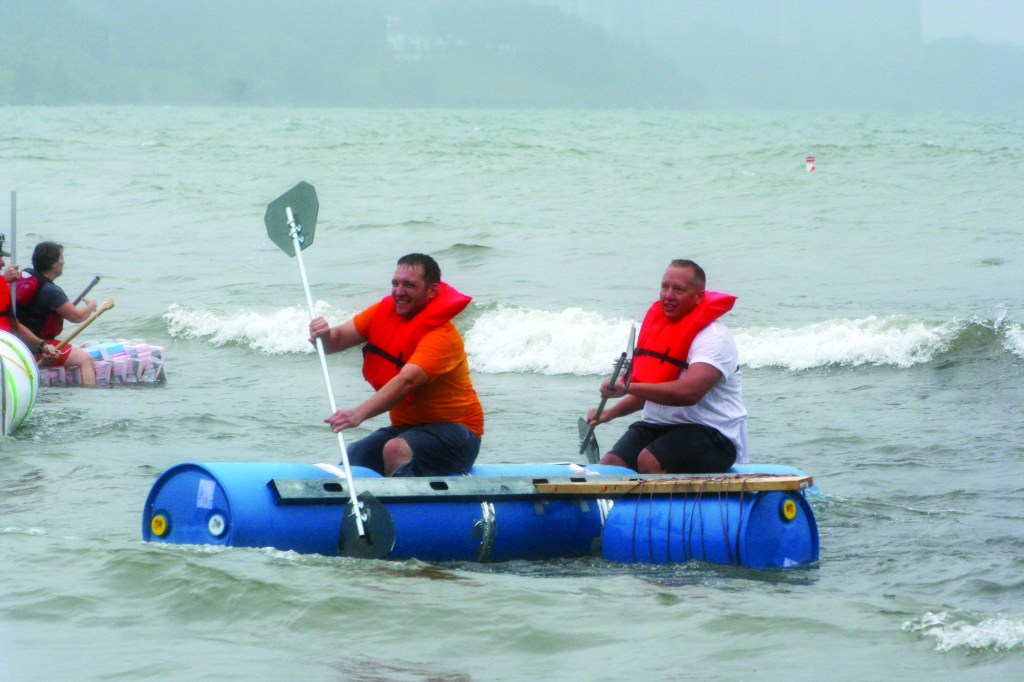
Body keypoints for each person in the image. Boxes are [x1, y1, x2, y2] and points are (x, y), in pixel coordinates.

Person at [308, 253, 484, 477]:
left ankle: (404, 508)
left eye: (409, 285)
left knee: (396, 449)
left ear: (432, 290)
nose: (399, 291)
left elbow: (406, 381)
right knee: (356, 454)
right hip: (410, 428)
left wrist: (358, 414)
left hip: (459, 434)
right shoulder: (382, 313)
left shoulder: (442, 336)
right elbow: (334, 342)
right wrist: (322, 335)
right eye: (395, 283)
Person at [588, 259, 748, 474]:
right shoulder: (659, 331)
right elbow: (653, 389)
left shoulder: (714, 338)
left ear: (699, 296)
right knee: (611, 466)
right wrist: (610, 413)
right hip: (657, 426)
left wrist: (627, 387)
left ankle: (667, 507)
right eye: (665, 287)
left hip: (713, 434)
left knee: (649, 461)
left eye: (679, 290)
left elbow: (689, 393)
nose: (668, 295)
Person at [15, 241, 98, 385]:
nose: (63, 261)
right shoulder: (51, 291)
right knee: (86, 359)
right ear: (53, 264)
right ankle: (90, 397)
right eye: (61, 259)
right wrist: (91, 307)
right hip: (40, 348)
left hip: (19, 343)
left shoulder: (25, 281)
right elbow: (77, 316)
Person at [0, 243, 60, 362]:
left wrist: (43, 346)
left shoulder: (4, 287)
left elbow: (16, 326)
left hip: (5, 353)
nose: (2, 263)